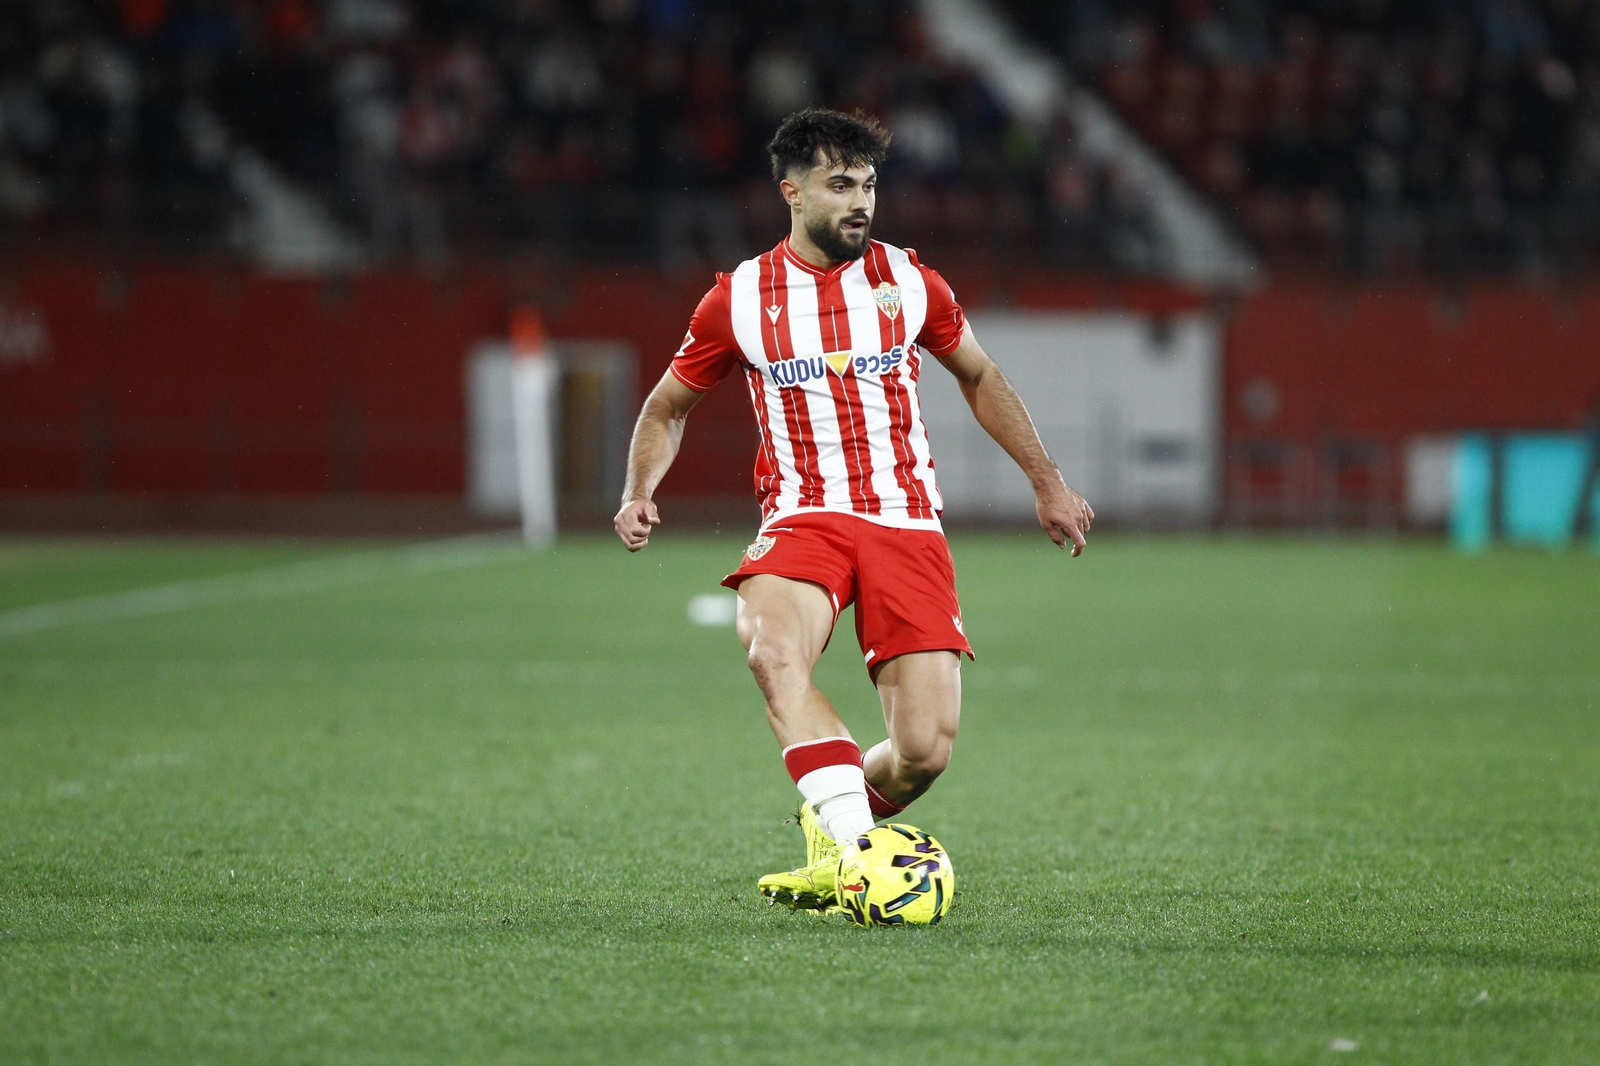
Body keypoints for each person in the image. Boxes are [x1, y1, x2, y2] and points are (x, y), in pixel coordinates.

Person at [613, 108, 1093, 911]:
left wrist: (1046, 481)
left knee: (924, 752)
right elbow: (667, 407)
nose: (860, 202)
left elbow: (978, 375)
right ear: (791, 193)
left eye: (869, 185)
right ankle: (850, 853)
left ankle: (835, 830)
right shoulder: (740, 299)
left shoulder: (910, 281)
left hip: (906, 520)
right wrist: (638, 490)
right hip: (806, 516)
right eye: (841, 186)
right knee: (772, 652)